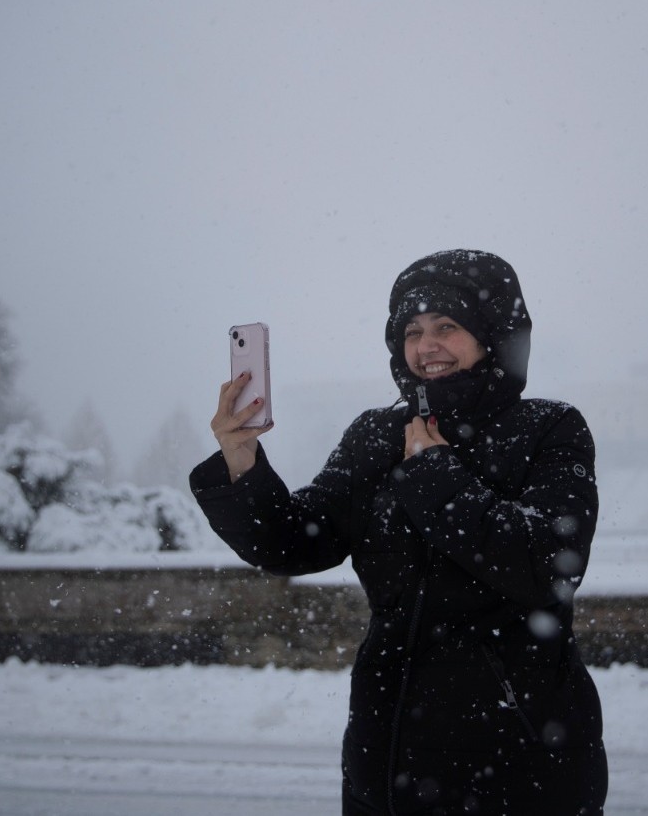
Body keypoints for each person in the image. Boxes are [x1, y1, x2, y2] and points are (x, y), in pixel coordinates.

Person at [190, 249, 607, 815]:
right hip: (385, 763)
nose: (425, 346)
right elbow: (291, 542)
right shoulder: (376, 434)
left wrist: (433, 474)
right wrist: (241, 460)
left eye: (447, 326)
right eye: (412, 330)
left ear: (495, 335)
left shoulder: (549, 428)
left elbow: (547, 564)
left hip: (522, 762)